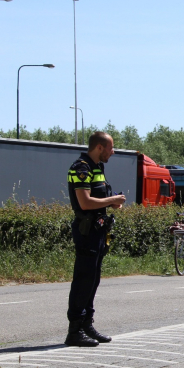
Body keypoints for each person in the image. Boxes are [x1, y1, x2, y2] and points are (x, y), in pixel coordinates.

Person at [65, 131, 126, 347]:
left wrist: (110, 202)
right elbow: (85, 203)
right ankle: (74, 331)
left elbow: (97, 199)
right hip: (86, 231)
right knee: (83, 279)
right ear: (99, 147)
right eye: (110, 147)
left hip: (98, 230)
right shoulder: (81, 168)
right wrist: (112, 200)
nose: (113, 151)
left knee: (93, 279)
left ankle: (87, 325)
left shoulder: (97, 168)